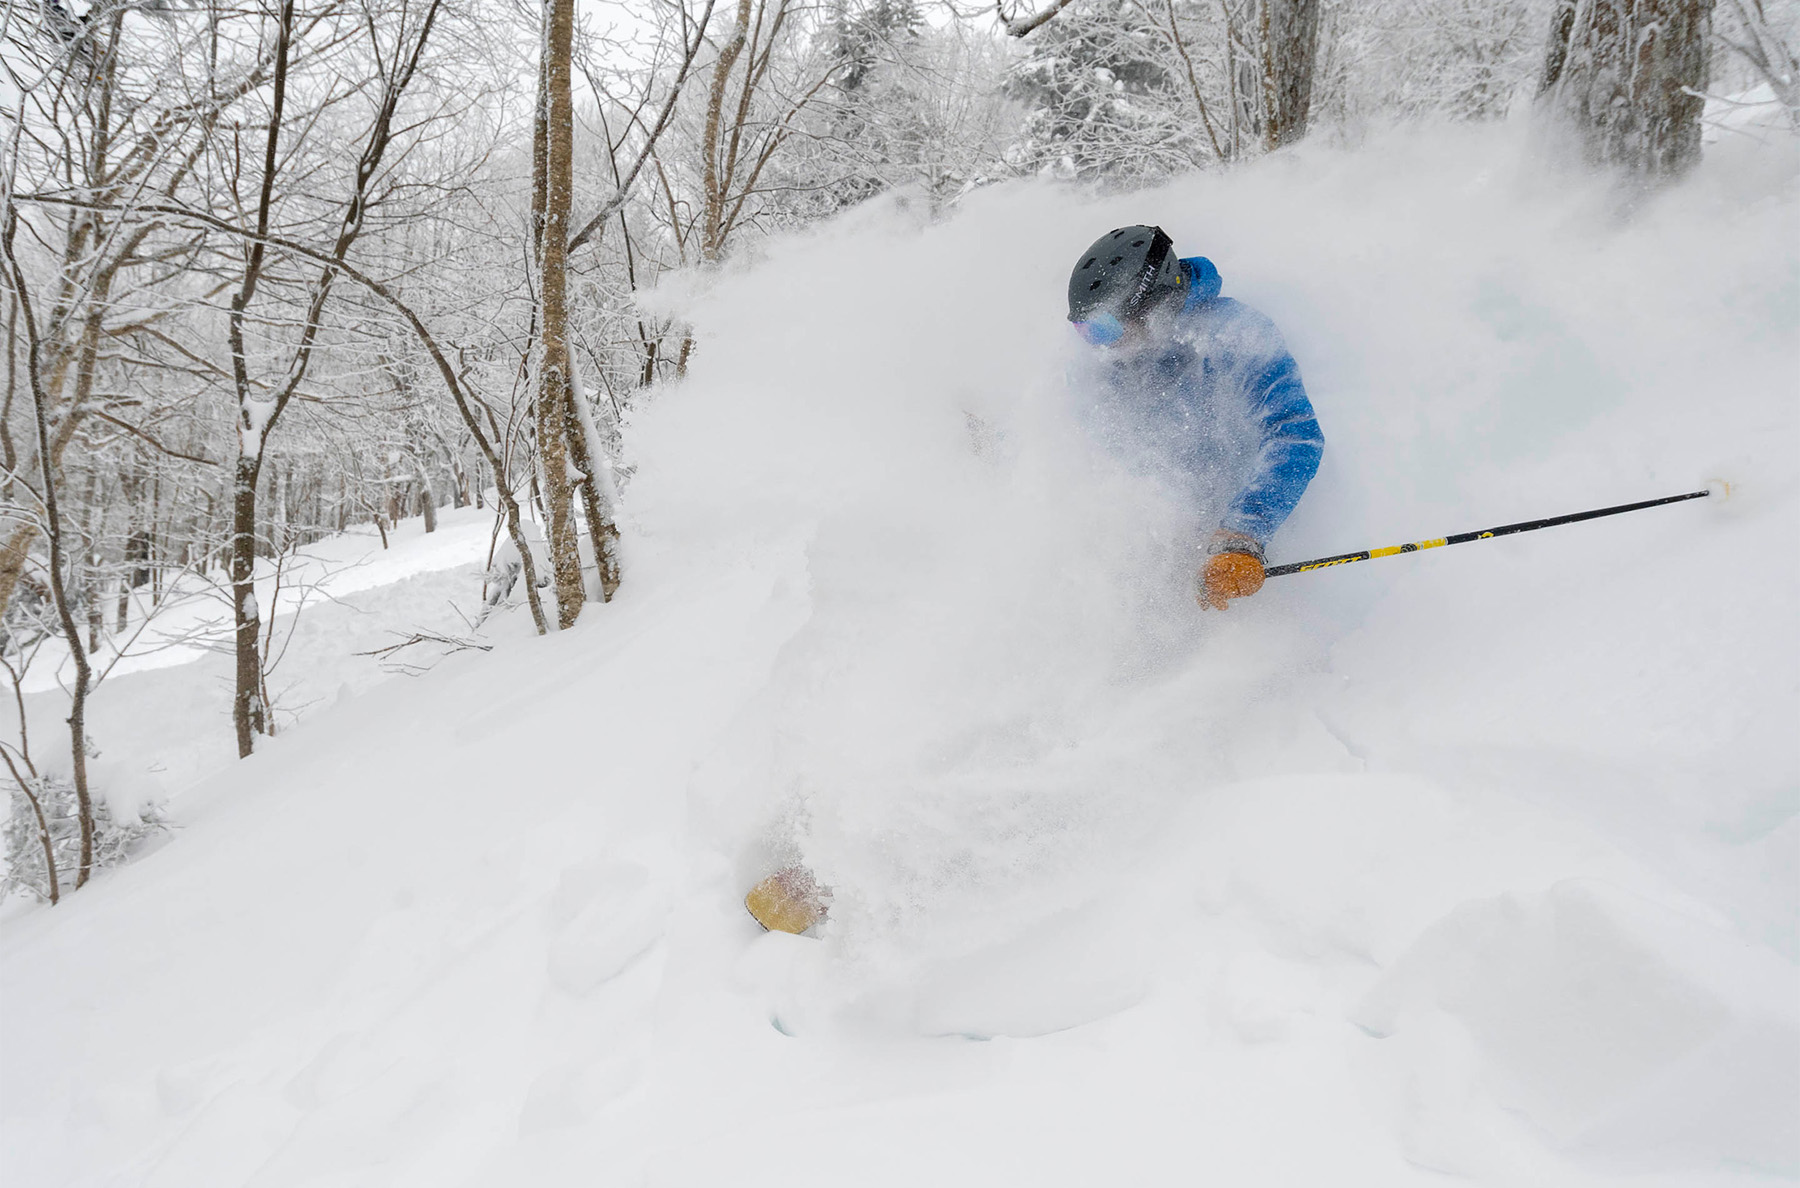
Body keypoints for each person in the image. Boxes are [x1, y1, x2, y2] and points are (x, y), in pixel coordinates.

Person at [1066, 225, 1323, 610]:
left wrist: (1243, 534)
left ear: (1153, 303)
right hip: (1158, 548)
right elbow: (1076, 437)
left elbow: (1293, 433)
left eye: (1105, 328)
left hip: (1241, 545)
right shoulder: (1114, 364)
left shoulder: (1235, 335)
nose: (1101, 345)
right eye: (1086, 331)